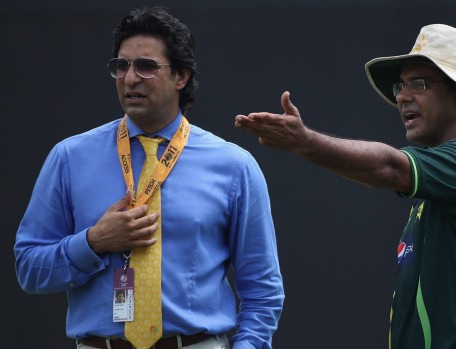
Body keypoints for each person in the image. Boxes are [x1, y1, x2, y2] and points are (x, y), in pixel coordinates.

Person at [235, 24, 456, 349]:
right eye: (401, 85)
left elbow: (388, 167)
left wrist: (305, 142)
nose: (401, 96)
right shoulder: (440, 183)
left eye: (419, 83)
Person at [15, 7, 284, 349]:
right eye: (121, 66)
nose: (129, 79)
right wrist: (93, 243)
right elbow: (28, 268)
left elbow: (262, 288)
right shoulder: (69, 158)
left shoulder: (234, 166)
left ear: (181, 76)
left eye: (146, 66)